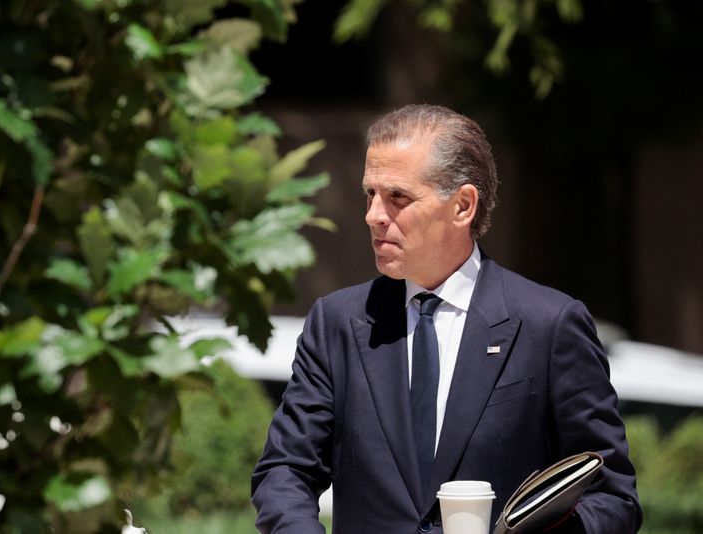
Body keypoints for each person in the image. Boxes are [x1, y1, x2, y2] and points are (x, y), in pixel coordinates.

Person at [251, 104, 642, 534]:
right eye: (370, 194)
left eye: (398, 197)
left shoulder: (549, 324)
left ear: (463, 206)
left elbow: (611, 496)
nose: (374, 215)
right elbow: (284, 472)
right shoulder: (337, 323)